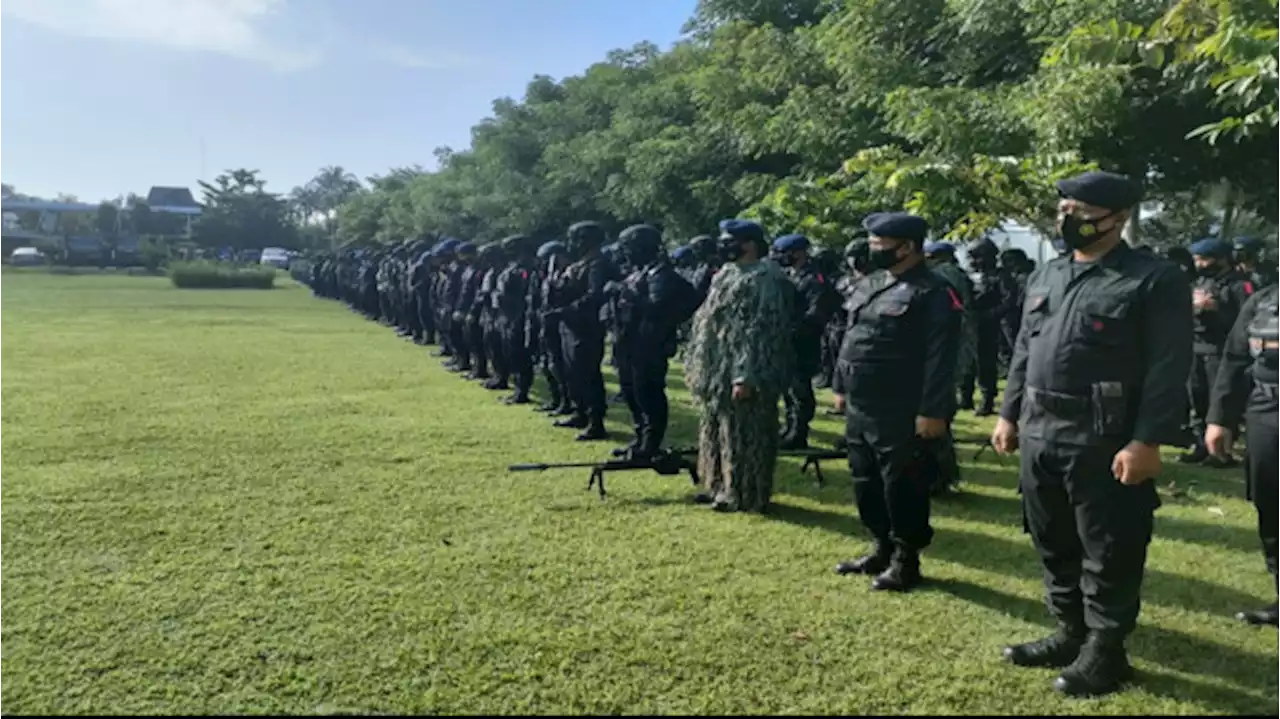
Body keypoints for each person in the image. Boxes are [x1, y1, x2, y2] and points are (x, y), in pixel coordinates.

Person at [992, 170, 1193, 697]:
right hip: (1040, 427)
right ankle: (1069, 631)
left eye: (1078, 211)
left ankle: (1106, 649)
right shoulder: (1049, 274)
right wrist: (1008, 413)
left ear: (1117, 218)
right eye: (1063, 209)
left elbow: (1169, 366)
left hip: (1104, 434)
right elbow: (1023, 349)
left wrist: (1147, 439)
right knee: (1051, 536)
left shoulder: (1153, 279)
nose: (1066, 219)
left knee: (1108, 544)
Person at [831, 213, 961, 592]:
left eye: (880, 245)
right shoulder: (872, 284)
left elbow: (942, 358)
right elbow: (851, 337)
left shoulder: (934, 292)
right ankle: (880, 546)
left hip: (901, 406)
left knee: (901, 484)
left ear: (907, 247)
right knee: (864, 479)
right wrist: (840, 386)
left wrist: (933, 411)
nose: (874, 251)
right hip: (861, 402)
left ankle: (906, 559)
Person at [684, 219, 796, 513]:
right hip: (718, 369)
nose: (724, 246)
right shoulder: (726, 274)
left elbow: (760, 332)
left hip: (745, 371)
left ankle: (745, 493)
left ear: (749, 244)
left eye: (730, 240)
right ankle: (717, 485)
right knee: (715, 431)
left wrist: (745, 376)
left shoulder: (765, 278)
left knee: (746, 435)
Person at [1205, 283, 1280, 626]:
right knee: (1270, 502)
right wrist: (1220, 418)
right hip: (1267, 409)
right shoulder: (1265, 299)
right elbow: (1235, 358)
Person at [608, 224, 700, 458]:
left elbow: (655, 307)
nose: (626, 253)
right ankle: (639, 437)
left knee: (647, 393)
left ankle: (651, 442)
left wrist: (624, 291)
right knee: (630, 392)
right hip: (629, 342)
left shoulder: (662, 275)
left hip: (649, 345)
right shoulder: (640, 272)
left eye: (630, 248)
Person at [1181, 237, 1253, 467]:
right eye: (1197, 259)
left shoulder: (1240, 286)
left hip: (1223, 351)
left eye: (1204, 259)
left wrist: (1215, 310)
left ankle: (1222, 451)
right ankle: (1200, 445)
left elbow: (1246, 321)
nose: (1199, 264)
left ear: (1221, 259)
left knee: (1220, 401)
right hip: (1197, 347)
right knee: (1197, 397)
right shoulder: (1200, 282)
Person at [544, 222, 618, 441]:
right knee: (571, 372)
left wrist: (566, 310)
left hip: (587, 326)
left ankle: (596, 422)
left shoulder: (598, 264)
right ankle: (580, 412)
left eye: (577, 239)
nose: (573, 244)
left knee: (587, 374)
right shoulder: (580, 264)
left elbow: (594, 297)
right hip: (570, 324)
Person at [772, 234, 837, 449]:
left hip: (804, 343)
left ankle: (799, 433)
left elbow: (817, 314)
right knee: (788, 389)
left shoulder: (814, 279)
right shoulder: (792, 274)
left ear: (799, 253)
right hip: (788, 341)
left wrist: (794, 331)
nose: (780, 257)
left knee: (800, 390)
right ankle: (789, 427)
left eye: (785, 253)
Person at [924, 240, 977, 495]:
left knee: (937, 414)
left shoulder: (942, 276)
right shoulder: (956, 274)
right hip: (957, 351)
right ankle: (941, 476)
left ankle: (939, 477)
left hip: (948, 353)